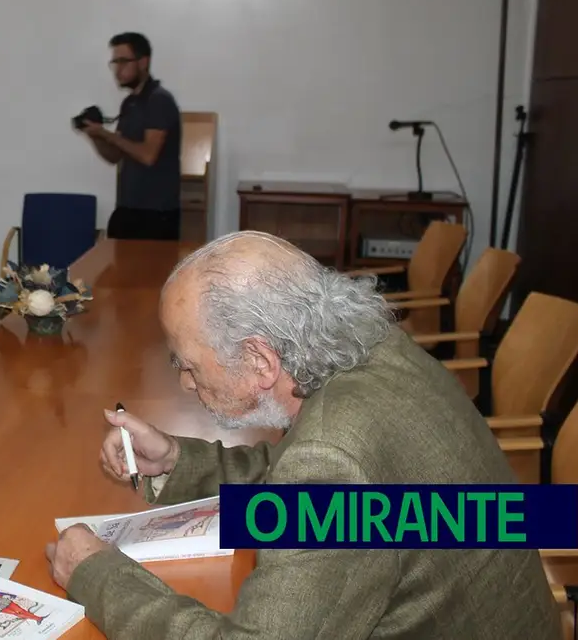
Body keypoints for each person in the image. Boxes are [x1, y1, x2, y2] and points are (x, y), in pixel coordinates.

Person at [45, 231, 559, 638]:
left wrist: (97, 575)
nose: (184, 382)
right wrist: (177, 460)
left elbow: (327, 476)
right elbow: (314, 486)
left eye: (188, 364)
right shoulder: (377, 349)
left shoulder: (333, 454)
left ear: (259, 360)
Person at [77, 32, 183, 241]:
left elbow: (147, 155)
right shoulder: (129, 104)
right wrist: (95, 135)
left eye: (123, 61)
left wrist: (106, 134)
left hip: (156, 214)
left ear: (143, 62)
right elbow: (114, 156)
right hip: (128, 208)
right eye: (114, 62)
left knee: (151, 274)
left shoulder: (159, 100)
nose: (118, 69)